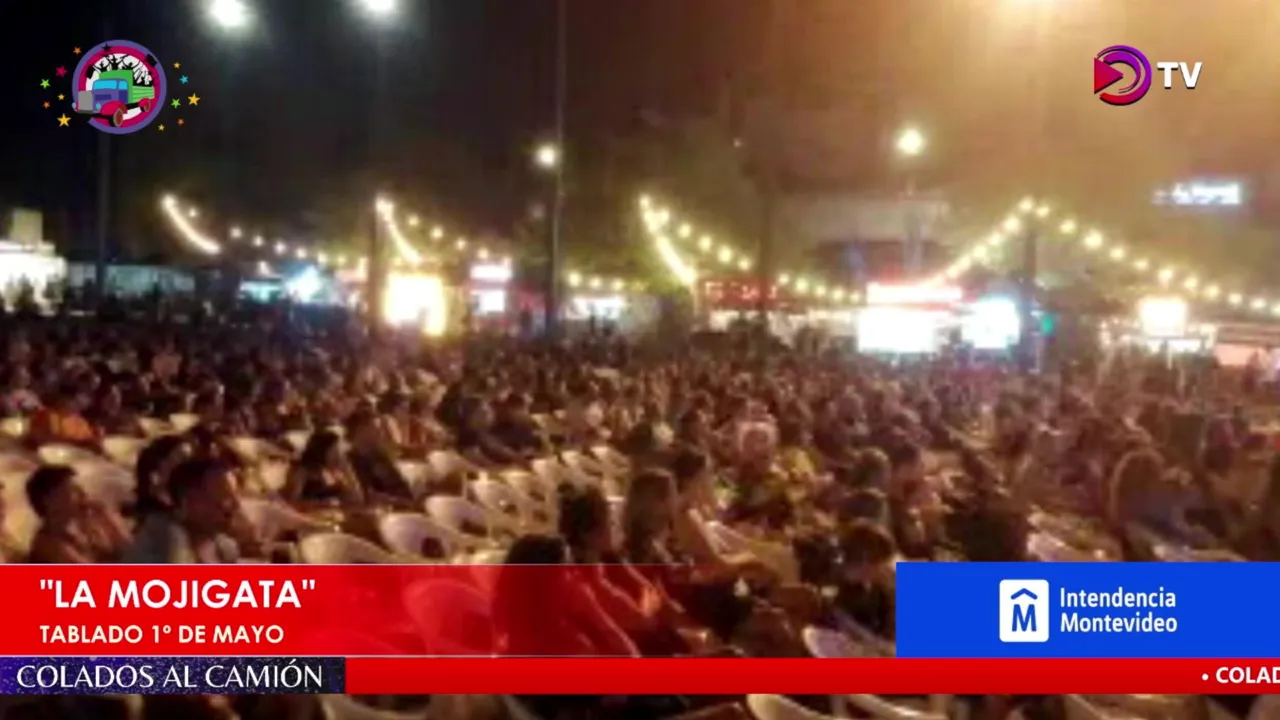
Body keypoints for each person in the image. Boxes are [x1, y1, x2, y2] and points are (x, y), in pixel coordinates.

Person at [123, 458, 241, 564]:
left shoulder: (223, 548)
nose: (236, 505)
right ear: (188, 500)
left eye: (235, 496)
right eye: (224, 496)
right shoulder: (162, 538)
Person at [26, 465, 129, 563]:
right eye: (73, 490)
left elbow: (127, 549)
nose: (83, 494)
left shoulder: (85, 526)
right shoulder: (48, 544)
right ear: (49, 501)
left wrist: (106, 516)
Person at [345, 409, 414, 503]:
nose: (381, 432)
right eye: (375, 428)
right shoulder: (350, 460)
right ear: (360, 430)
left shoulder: (380, 456)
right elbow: (367, 495)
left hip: (402, 505)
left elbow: (402, 488)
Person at [284, 430, 364, 505]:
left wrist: (347, 468)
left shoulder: (334, 474)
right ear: (322, 450)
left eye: (339, 452)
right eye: (334, 451)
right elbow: (292, 501)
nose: (338, 456)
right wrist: (322, 503)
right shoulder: (302, 471)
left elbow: (357, 498)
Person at [27, 382, 100, 449]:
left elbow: (90, 438)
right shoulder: (48, 415)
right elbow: (48, 439)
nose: (74, 405)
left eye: (75, 402)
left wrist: (96, 435)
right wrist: (79, 443)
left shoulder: (80, 421)